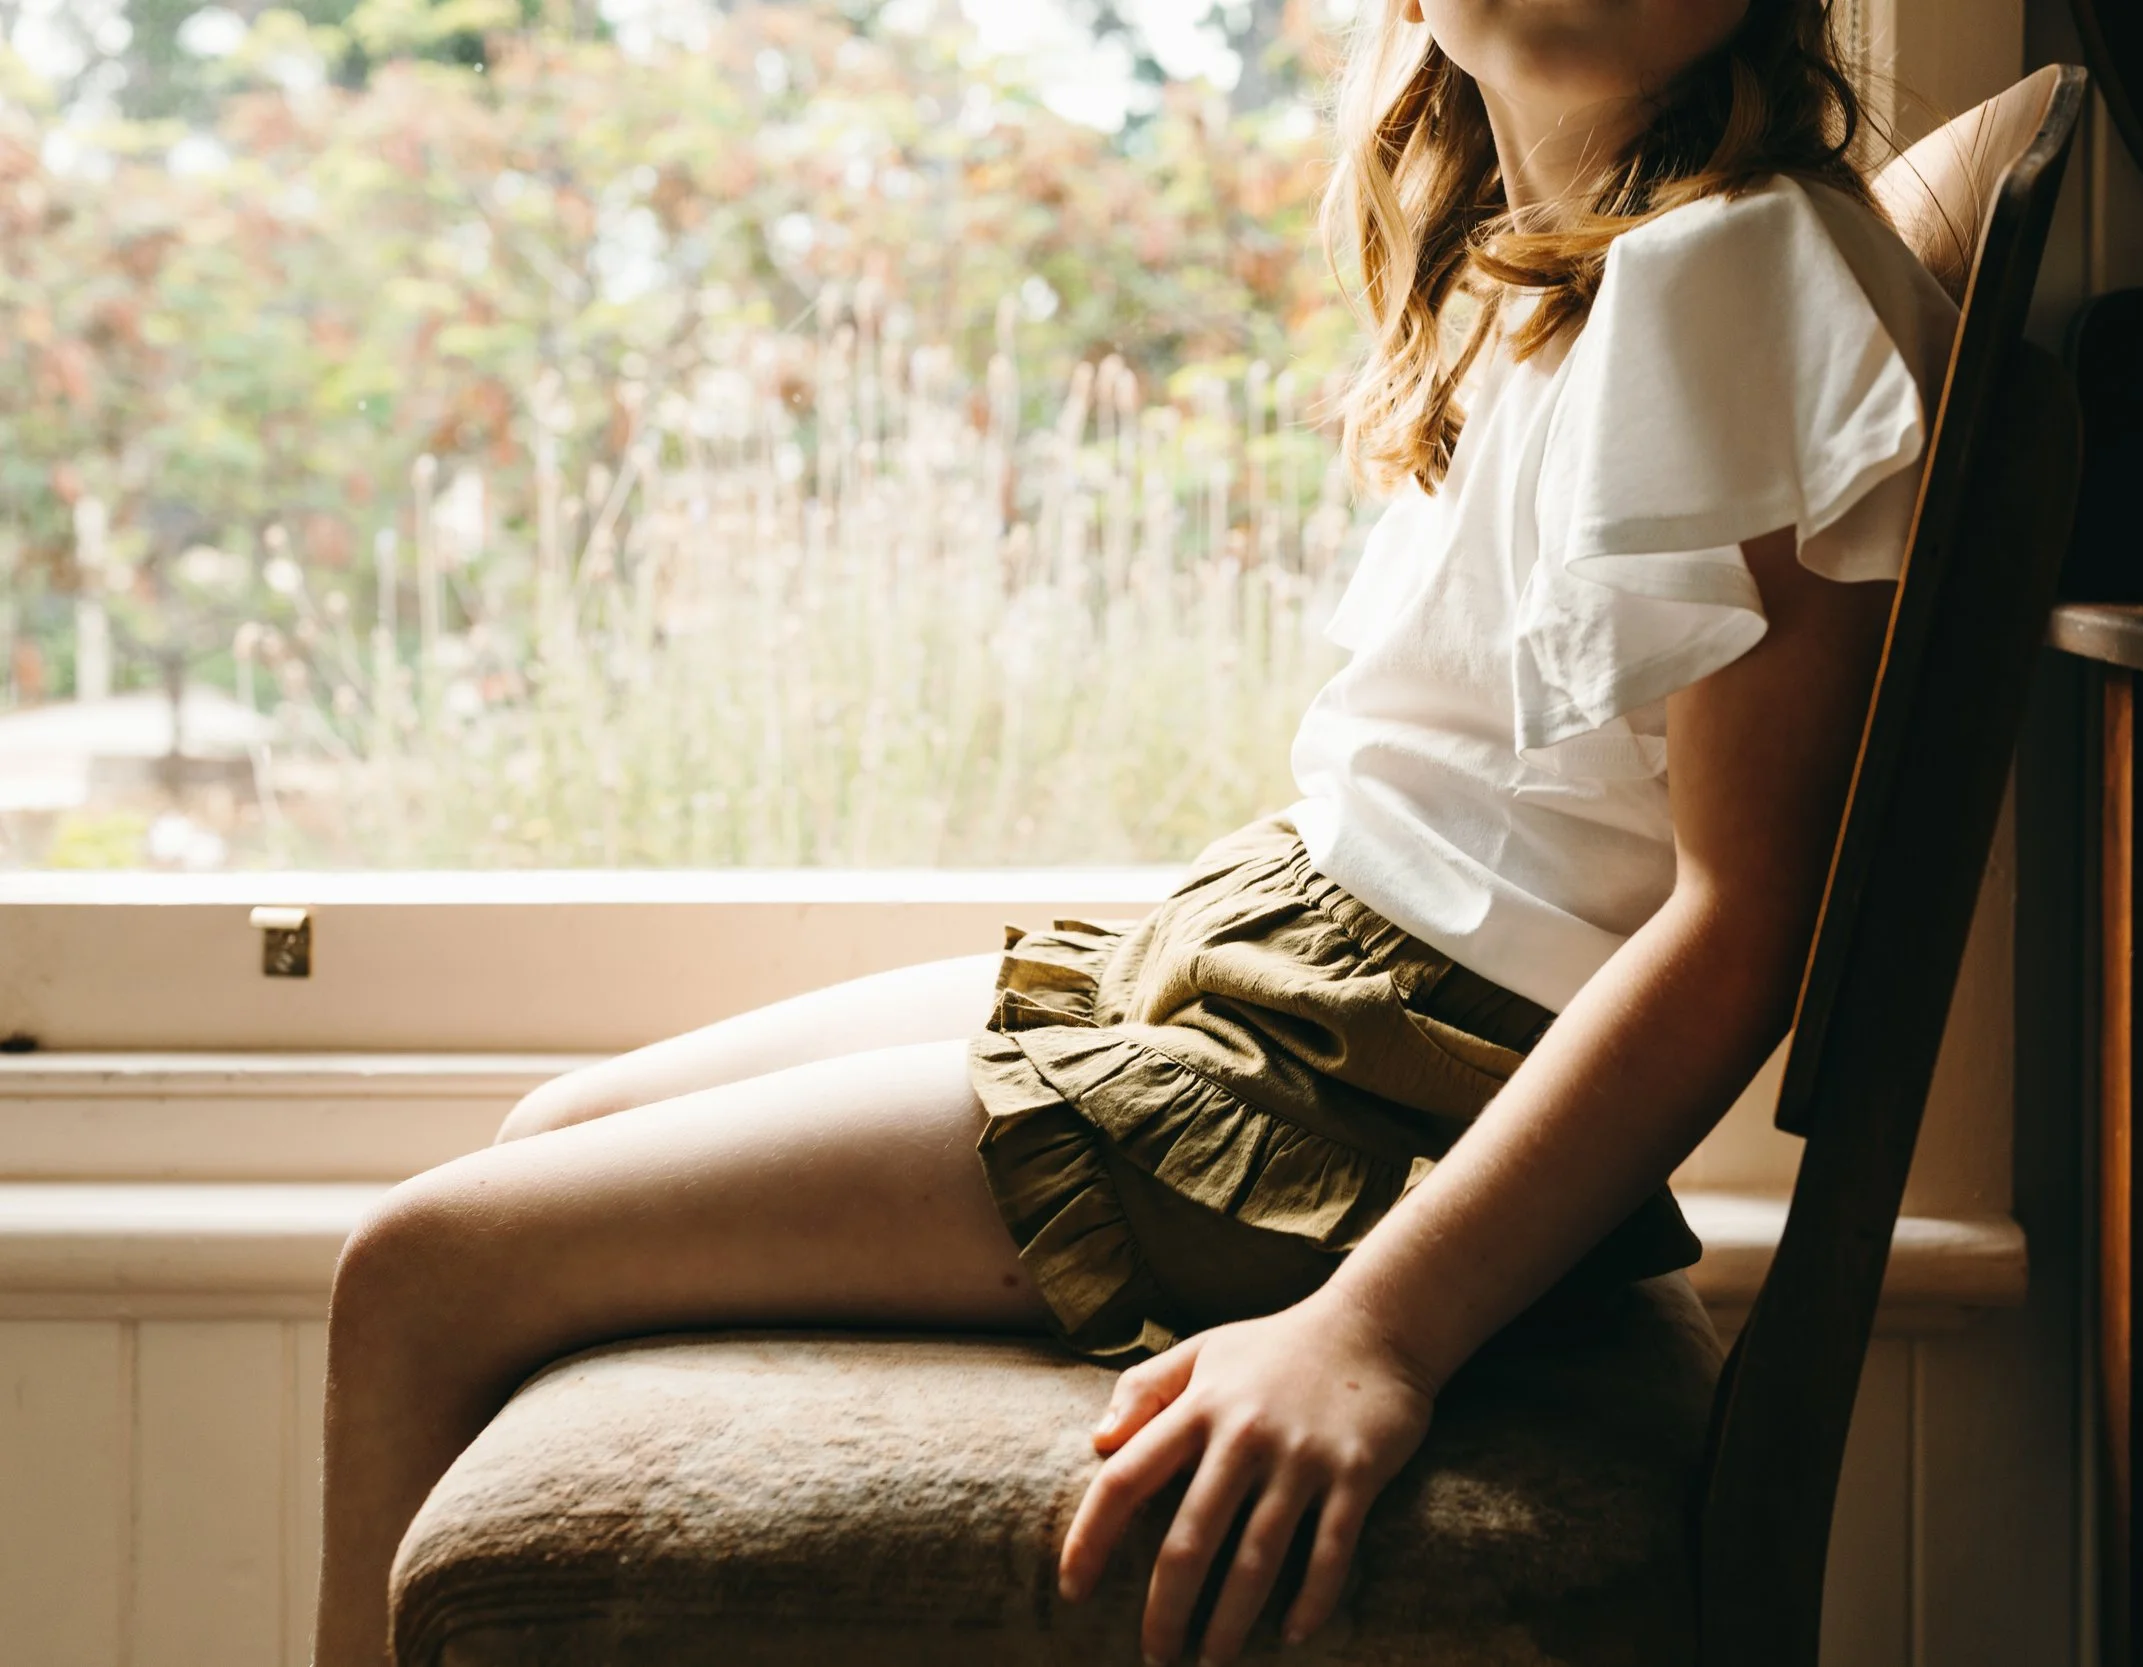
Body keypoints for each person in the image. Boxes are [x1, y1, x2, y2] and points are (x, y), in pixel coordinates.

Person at [312, 1, 1960, 1662]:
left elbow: (1744, 924)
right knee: (552, 1125)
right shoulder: (1559, 270)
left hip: (1369, 1081)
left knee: (419, 1270)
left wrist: (1377, 1327)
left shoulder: (1740, 261)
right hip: (1290, 953)